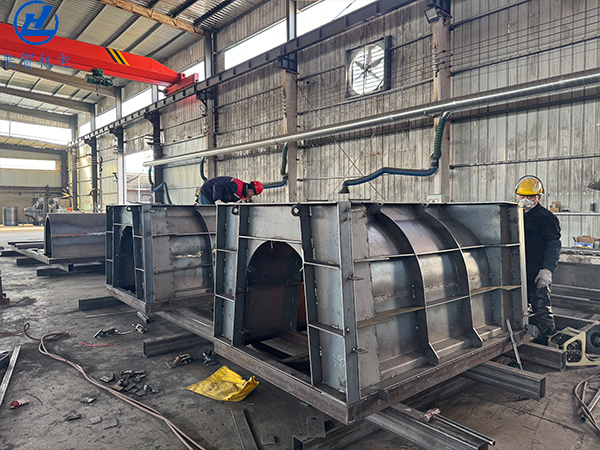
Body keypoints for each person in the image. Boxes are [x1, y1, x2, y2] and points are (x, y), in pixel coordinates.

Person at [515, 175, 561, 345]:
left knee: (541, 307)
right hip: (516, 273)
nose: (525, 199)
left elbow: (553, 244)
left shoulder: (546, 218)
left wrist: (547, 270)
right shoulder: (513, 216)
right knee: (516, 308)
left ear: (539, 198)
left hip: (536, 272)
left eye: (531, 196)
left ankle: (549, 340)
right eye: (522, 196)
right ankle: (525, 338)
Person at [195, 176, 263, 205]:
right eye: (253, 194)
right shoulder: (237, 186)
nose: (251, 197)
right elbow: (218, 185)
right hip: (207, 193)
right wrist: (217, 200)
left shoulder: (241, 193)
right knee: (208, 217)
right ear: (251, 190)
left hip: (211, 197)